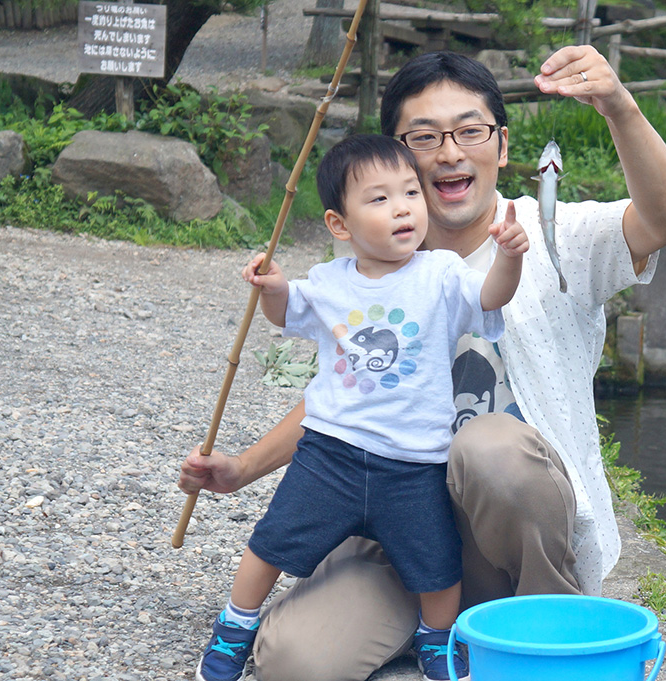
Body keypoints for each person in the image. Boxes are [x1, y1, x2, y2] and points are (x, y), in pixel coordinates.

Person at [179, 46, 666, 681]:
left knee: (491, 447)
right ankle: (443, 630)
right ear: (395, 158)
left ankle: (547, 624)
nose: (449, 153)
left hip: (507, 524)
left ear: (502, 147)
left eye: (470, 131)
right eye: (423, 137)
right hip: (396, 528)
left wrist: (618, 104)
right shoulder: (369, 268)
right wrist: (242, 467)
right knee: (295, 664)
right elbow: (345, 396)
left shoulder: (555, 234)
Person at [192, 134, 529, 681]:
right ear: (339, 225)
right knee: (273, 541)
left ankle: (436, 640)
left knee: (437, 563)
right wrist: (273, 286)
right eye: (378, 199)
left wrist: (509, 258)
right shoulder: (328, 281)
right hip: (330, 453)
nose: (402, 208)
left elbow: (491, 296)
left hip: (415, 462)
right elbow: (286, 315)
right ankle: (236, 625)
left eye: (409, 194)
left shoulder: (440, 274)